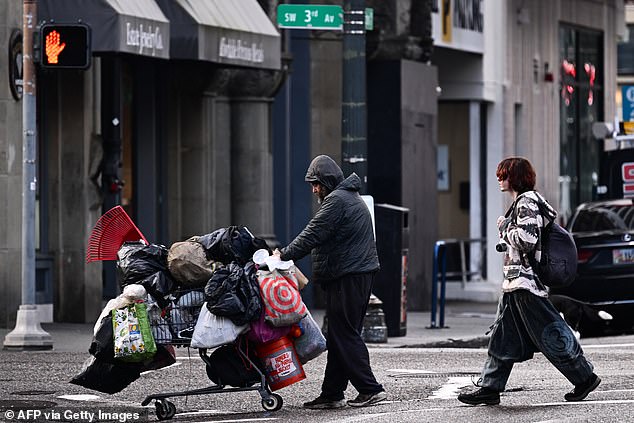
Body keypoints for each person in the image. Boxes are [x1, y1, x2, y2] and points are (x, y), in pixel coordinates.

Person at [457, 157, 600, 406]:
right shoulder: (522, 203)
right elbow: (522, 241)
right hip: (515, 284)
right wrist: (507, 236)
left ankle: (584, 377)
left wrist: (504, 228)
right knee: (501, 338)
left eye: (503, 175)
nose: (499, 179)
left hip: (526, 284)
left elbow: (527, 239)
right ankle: (490, 387)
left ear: (515, 177)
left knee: (551, 332)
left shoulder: (526, 202)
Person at [275, 154, 387, 409]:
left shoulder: (337, 200)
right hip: (353, 275)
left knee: (344, 334)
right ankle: (333, 393)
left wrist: (283, 254)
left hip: (349, 276)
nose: (315, 189)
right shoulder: (346, 197)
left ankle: (370, 389)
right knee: (339, 335)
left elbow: (313, 233)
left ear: (328, 180)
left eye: (316, 183)